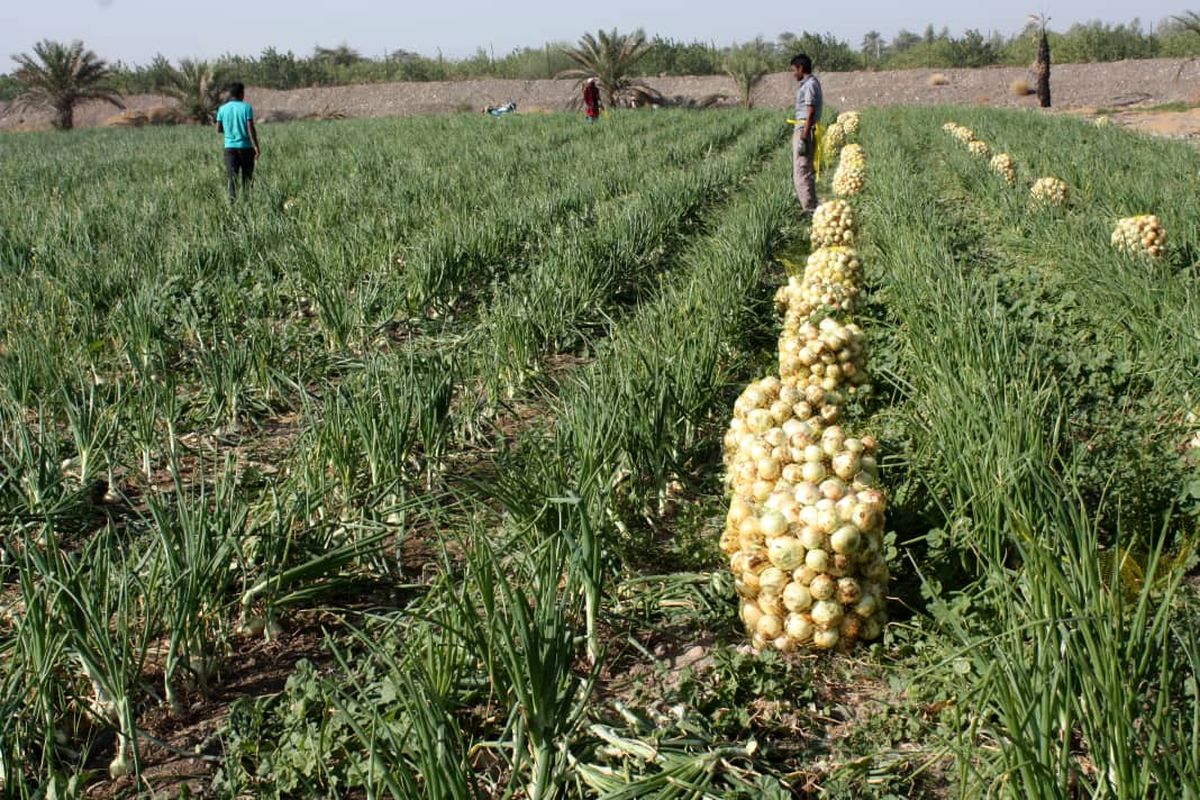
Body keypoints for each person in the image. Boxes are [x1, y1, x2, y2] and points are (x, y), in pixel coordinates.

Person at [215, 82, 259, 201]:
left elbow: (218, 129)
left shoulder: (222, 109)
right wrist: (256, 147)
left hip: (230, 149)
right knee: (247, 179)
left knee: (232, 179)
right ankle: (247, 203)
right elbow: (250, 128)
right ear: (241, 93)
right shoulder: (246, 107)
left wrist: (230, 130)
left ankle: (232, 206)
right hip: (246, 148)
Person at [790, 54, 823, 216]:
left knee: (801, 169)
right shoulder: (811, 83)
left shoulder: (809, 85)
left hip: (804, 128)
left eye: (793, 70)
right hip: (806, 128)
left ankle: (809, 209)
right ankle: (811, 204)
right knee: (805, 168)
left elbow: (810, 112)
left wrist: (803, 137)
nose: (793, 74)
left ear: (801, 68)